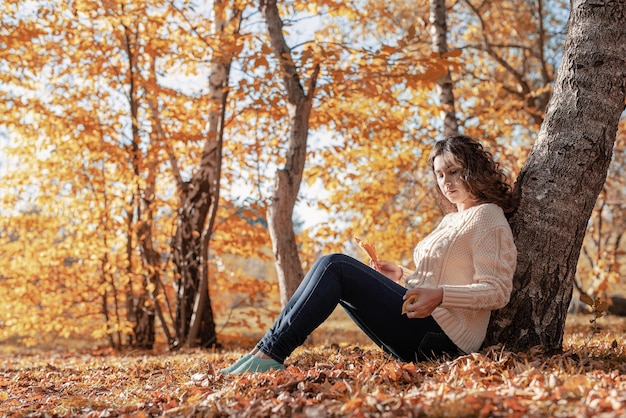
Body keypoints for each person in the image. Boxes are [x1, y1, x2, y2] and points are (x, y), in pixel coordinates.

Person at [221, 134, 518, 375]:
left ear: (473, 170)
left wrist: (440, 295)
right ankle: (263, 353)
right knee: (331, 268)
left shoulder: (488, 216)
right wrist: (401, 276)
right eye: (440, 174)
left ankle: (269, 354)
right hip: (423, 326)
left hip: (445, 342)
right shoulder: (451, 219)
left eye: (454, 171)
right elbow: (436, 281)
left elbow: (497, 291)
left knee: (335, 265)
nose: (446, 181)